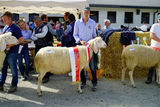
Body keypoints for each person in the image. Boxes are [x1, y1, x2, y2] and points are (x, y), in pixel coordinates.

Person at [73, 7, 97, 91]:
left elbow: (94, 34)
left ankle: (94, 83)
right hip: (81, 47)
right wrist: (80, 40)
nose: (86, 14)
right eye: (85, 12)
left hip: (90, 47)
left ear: (89, 13)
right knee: (82, 66)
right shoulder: (77, 22)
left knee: (92, 66)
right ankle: (83, 82)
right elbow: (75, 34)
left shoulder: (93, 22)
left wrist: (95, 39)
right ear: (82, 13)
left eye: (88, 12)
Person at [0, 11, 24, 93]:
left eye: (5, 19)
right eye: (2, 19)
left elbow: (21, 39)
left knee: (13, 69)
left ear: (10, 19)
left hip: (13, 52)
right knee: (3, 69)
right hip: (5, 51)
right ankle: (1, 84)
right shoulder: (6, 27)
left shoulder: (15, 28)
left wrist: (10, 45)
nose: (3, 21)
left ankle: (14, 85)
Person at [40, 14, 57, 83]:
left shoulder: (39, 25)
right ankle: (47, 74)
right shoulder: (47, 24)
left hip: (42, 43)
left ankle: (47, 72)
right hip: (48, 43)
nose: (47, 19)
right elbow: (53, 32)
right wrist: (58, 32)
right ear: (45, 19)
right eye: (47, 18)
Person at [145, 14, 160, 84]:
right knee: (152, 64)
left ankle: (157, 79)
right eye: (159, 19)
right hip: (154, 48)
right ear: (158, 19)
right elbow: (152, 36)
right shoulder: (155, 26)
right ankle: (149, 78)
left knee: (159, 65)